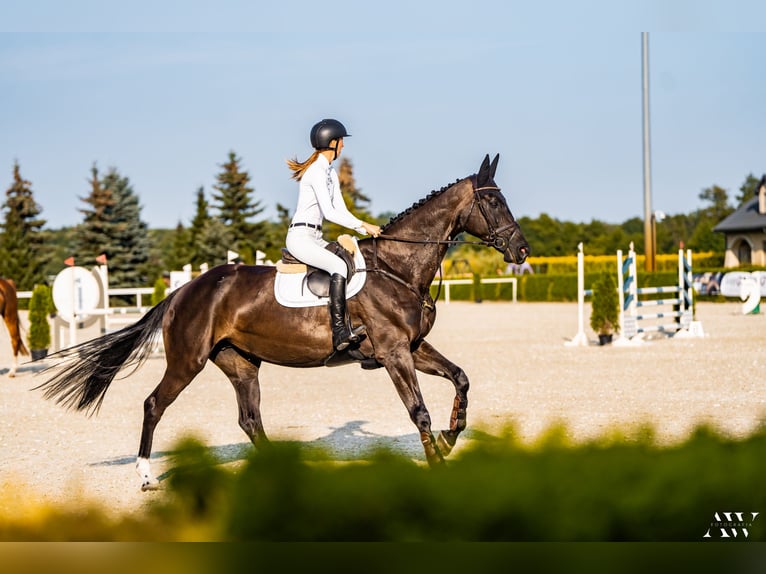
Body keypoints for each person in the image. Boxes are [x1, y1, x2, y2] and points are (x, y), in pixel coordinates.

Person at [286, 118, 381, 351]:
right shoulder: (316, 172)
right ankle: (339, 332)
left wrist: (363, 229)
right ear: (332, 143)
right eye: (341, 141)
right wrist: (363, 224)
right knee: (338, 267)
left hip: (315, 237)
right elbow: (329, 213)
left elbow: (341, 210)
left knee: (351, 261)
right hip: (300, 237)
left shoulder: (329, 173)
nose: (343, 146)